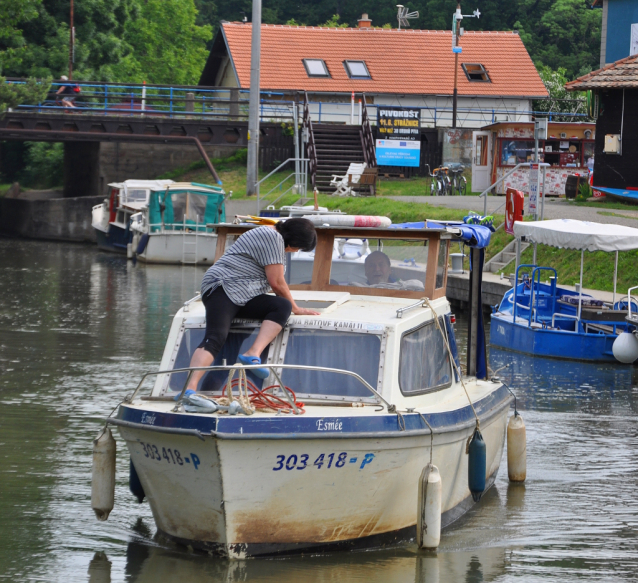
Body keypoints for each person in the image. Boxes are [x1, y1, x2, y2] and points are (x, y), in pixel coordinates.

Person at [185, 218, 320, 391]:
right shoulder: (272, 236)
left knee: (280, 306)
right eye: (298, 247)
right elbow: (277, 282)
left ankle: (252, 353)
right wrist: (297, 308)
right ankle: (190, 389)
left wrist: (290, 306)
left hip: (244, 294)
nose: (293, 251)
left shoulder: (274, 238)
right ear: (293, 240)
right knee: (215, 337)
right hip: (223, 287)